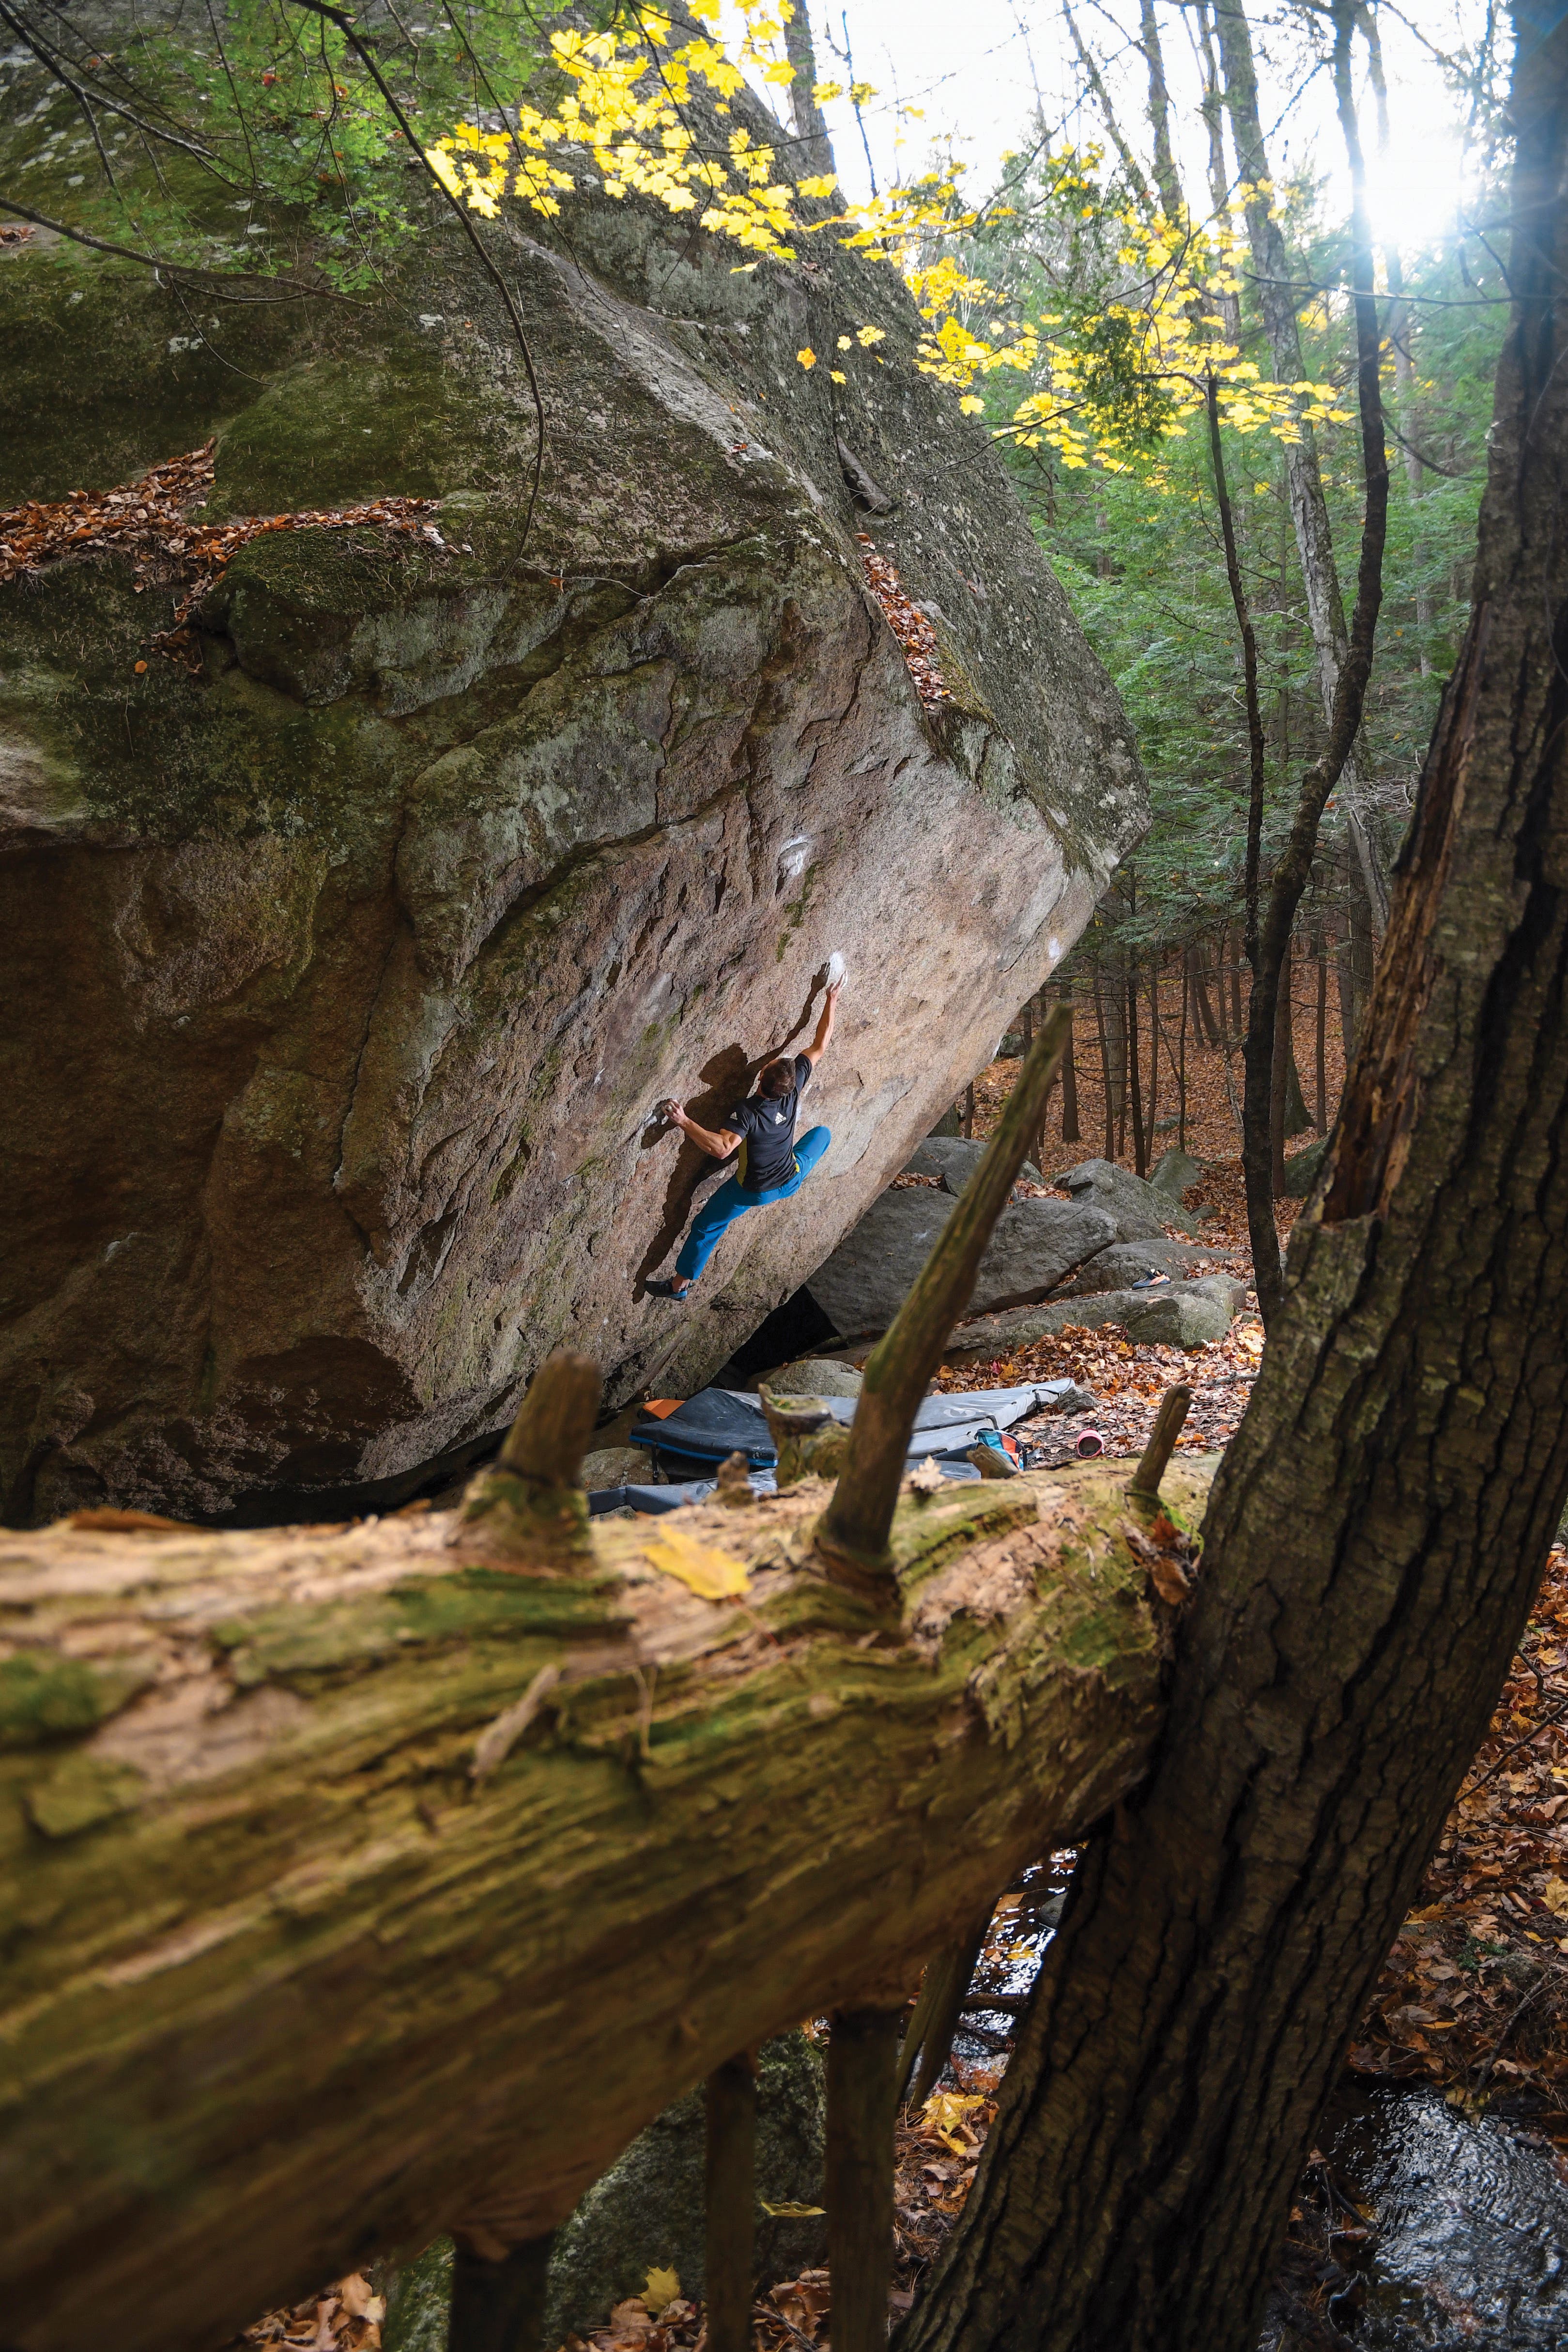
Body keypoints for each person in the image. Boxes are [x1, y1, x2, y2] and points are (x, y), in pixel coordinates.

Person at [648, 982, 840, 1299]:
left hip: (753, 1191)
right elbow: (821, 1044)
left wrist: (683, 1121)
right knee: (823, 1135)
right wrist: (831, 999)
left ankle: (679, 1286)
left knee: (707, 1227)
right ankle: (680, 1285)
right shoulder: (793, 1088)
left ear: (762, 1075)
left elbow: (723, 1148)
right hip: (792, 1176)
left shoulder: (748, 1111)